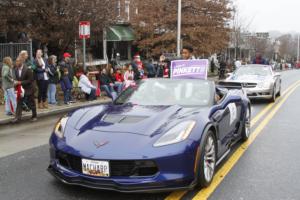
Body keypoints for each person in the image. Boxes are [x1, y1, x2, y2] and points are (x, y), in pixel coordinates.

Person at [12, 58, 37, 123]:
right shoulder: (16, 69)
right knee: (19, 102)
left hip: (29, 88)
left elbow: (30, 80)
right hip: (21, 89)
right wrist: (15, 84)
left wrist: (20, 82)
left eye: (17, 62)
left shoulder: (27, 69)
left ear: (21, 62)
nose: (16, 63)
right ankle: (17, 117)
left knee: (31, 102)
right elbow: (17, 79)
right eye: (16, 62)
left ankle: (34, 116)